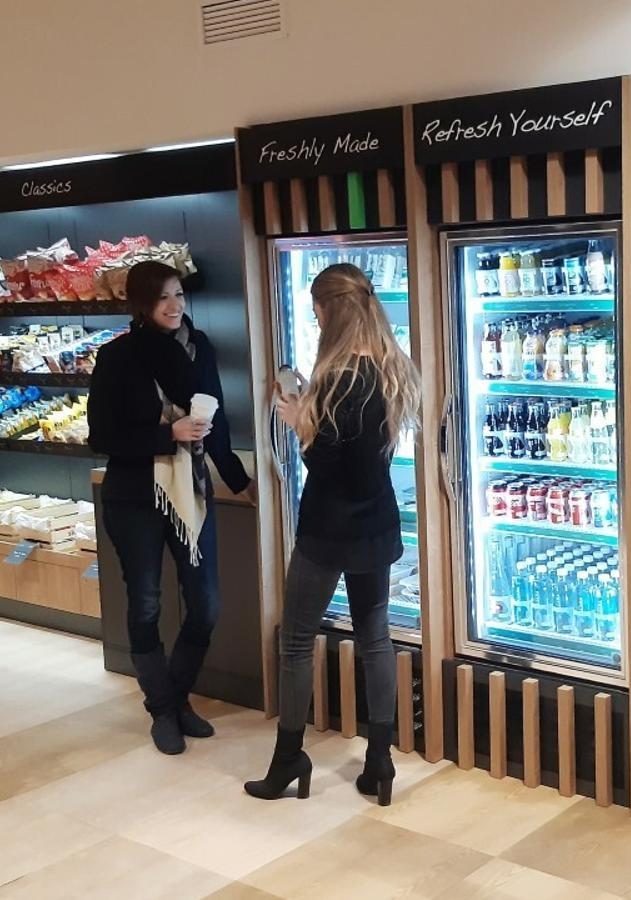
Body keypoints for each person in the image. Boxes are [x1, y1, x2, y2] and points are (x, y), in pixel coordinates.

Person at [245, 262, 420, 806]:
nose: (316, 321)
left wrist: (301, 422)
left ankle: (287, 760)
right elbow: (369, 462)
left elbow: (331, 466)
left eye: (318, 311)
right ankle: (380, 762)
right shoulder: (391, 366)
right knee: (375, 638)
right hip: (377, 524)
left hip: (329, 528)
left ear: (332, 310)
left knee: (296, 640)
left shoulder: (342, 377)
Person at [88, 260, 251, 755]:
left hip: (191, 491)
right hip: (135, 494)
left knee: (206, 604)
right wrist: (167, 434)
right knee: (147, 602)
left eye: (179, 294)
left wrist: (240, 482)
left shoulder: (199, 349)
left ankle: (174, 697)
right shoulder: (117, 357)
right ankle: (163, 708)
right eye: (163, 298)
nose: (175, 305)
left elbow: (215, 422)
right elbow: (102, 436)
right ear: (142, 305)